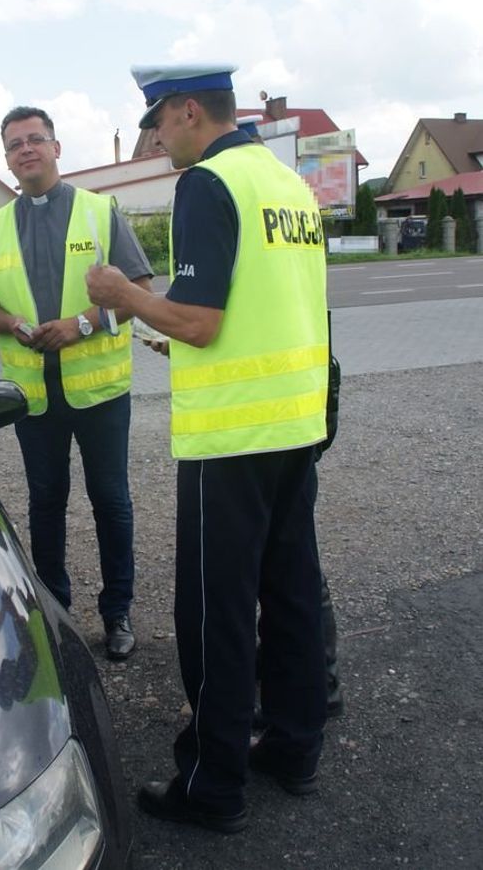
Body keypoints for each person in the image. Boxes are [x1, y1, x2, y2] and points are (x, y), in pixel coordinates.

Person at [86, 64, 330, 832]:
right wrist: (180, 338)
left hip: (230, 437)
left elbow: (201, 319)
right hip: (294, 425)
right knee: (290, 594)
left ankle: (212, 782)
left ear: (190, 111)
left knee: (214, 613)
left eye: (157, 122)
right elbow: (264, 307)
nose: (154, 138)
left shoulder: (209, 184)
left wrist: (124, 296)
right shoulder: (286, 184)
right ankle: (294, 744)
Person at [0, 106, 154, 661]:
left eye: (35, 140)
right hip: (35, 397)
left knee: (110, 501)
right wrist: (16, 325)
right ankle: (55, 611)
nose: (26, 150)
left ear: (56, 147)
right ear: (6, 160)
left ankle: (117, 613)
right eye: (14, 144)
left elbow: (140, 287)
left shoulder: (100, 212)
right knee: (45, 503)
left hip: (99, 393)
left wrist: (82, 324)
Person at [234, 114, 346, 727]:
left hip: (272, 414)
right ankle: (309, 684)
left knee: (284, 568)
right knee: (295, 560)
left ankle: (306, 686)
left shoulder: (247, 192)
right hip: (303, 401)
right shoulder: (296, 196)